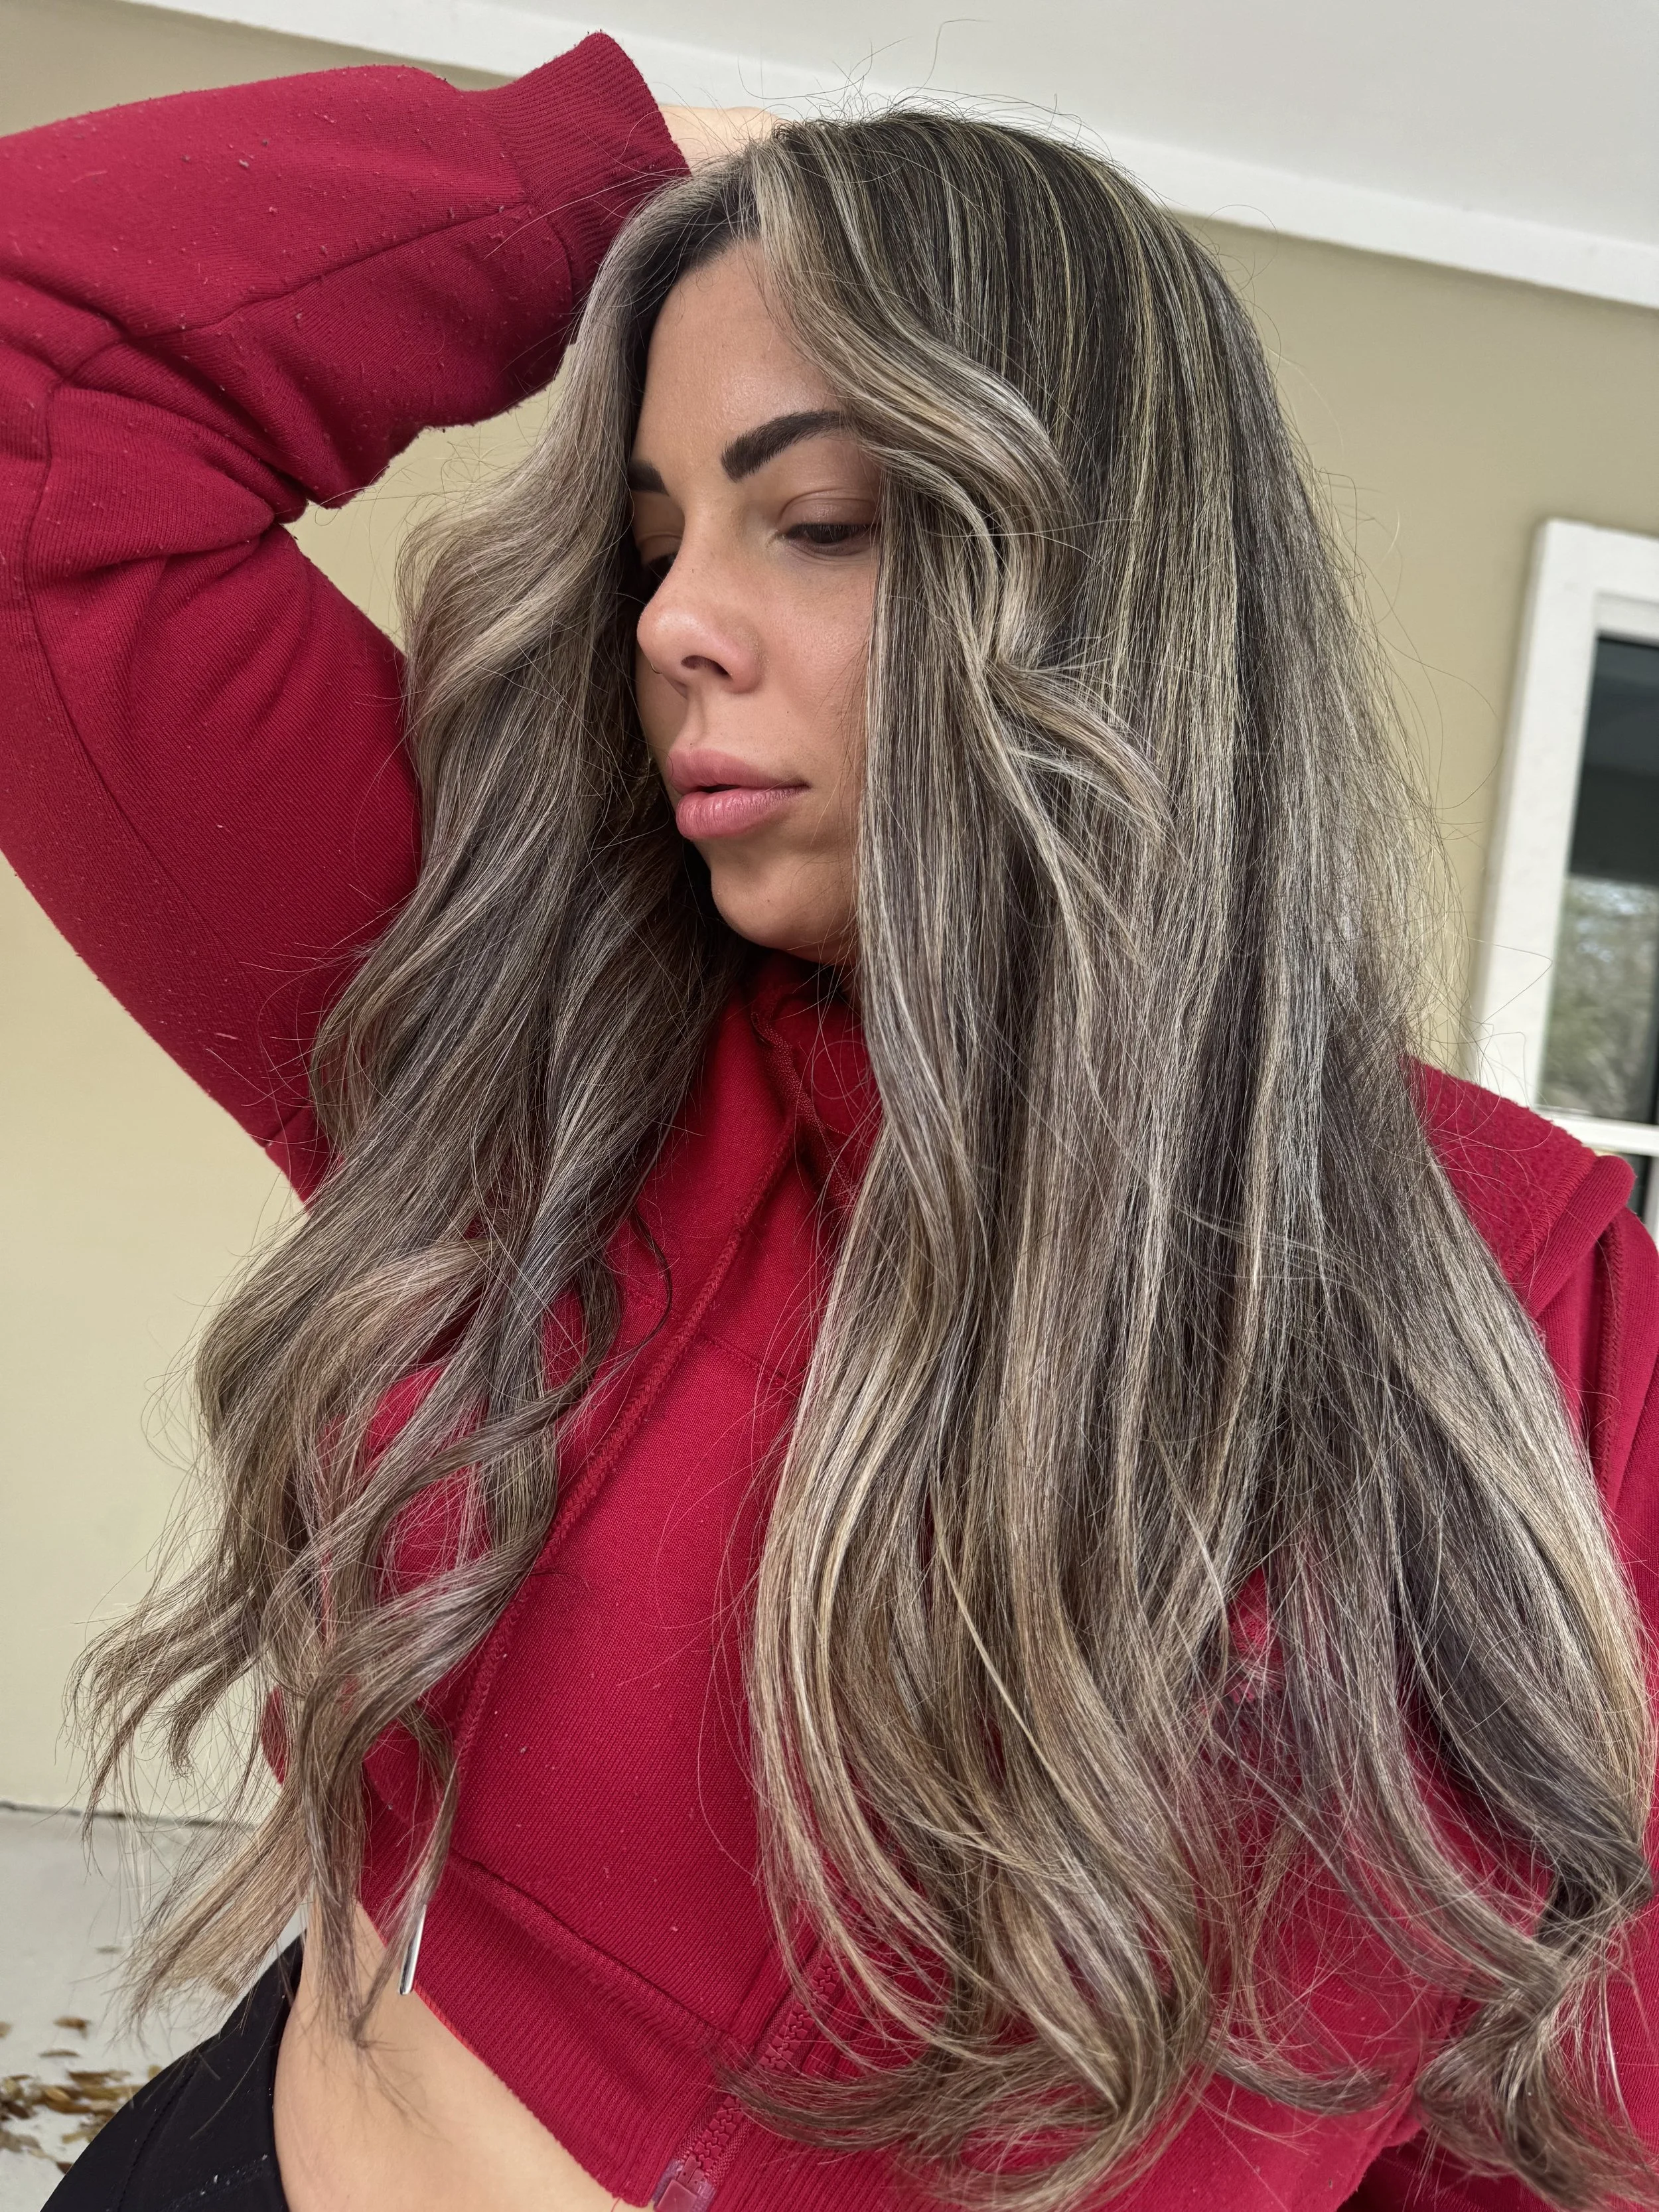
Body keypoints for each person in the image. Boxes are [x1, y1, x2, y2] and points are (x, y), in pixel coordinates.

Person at [3, 29, 1658, 2212]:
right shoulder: (533, 1040)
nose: (673, 622)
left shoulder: (1532, 1298)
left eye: (817, 519)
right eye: (651, 537)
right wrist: (642, 175)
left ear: (1113, 586)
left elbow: (1560, 2119)